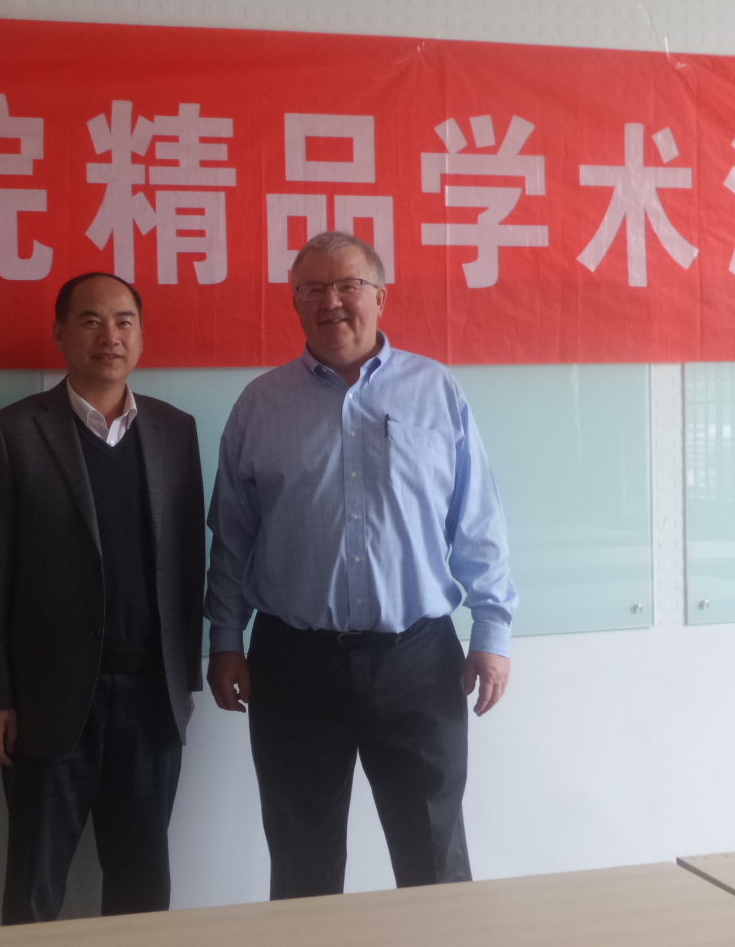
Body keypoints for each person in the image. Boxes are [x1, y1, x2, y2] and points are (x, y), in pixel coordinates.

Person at [204, 231, 516, 900]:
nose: (332, 302)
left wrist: (492, 632)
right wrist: (225, 639)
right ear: (295, 303)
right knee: (302, 863)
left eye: (348, 286)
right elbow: (231, 539)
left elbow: (478, 522)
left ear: (380, 297)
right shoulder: (260, 404)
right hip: (294, 663)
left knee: (434, 858)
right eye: (313, 289)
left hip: (417, 661)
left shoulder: (436, 390)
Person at [0, 271, 206, 924]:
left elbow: (188, 564)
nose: (110, 336)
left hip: (151, 700)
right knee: (35, 886)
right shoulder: (12, 434)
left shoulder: (175, 431)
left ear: (142, 337)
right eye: (91, 321)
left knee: (143, 884)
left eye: (125, 321)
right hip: (48, 702)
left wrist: (184, 677)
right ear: (61, 334)